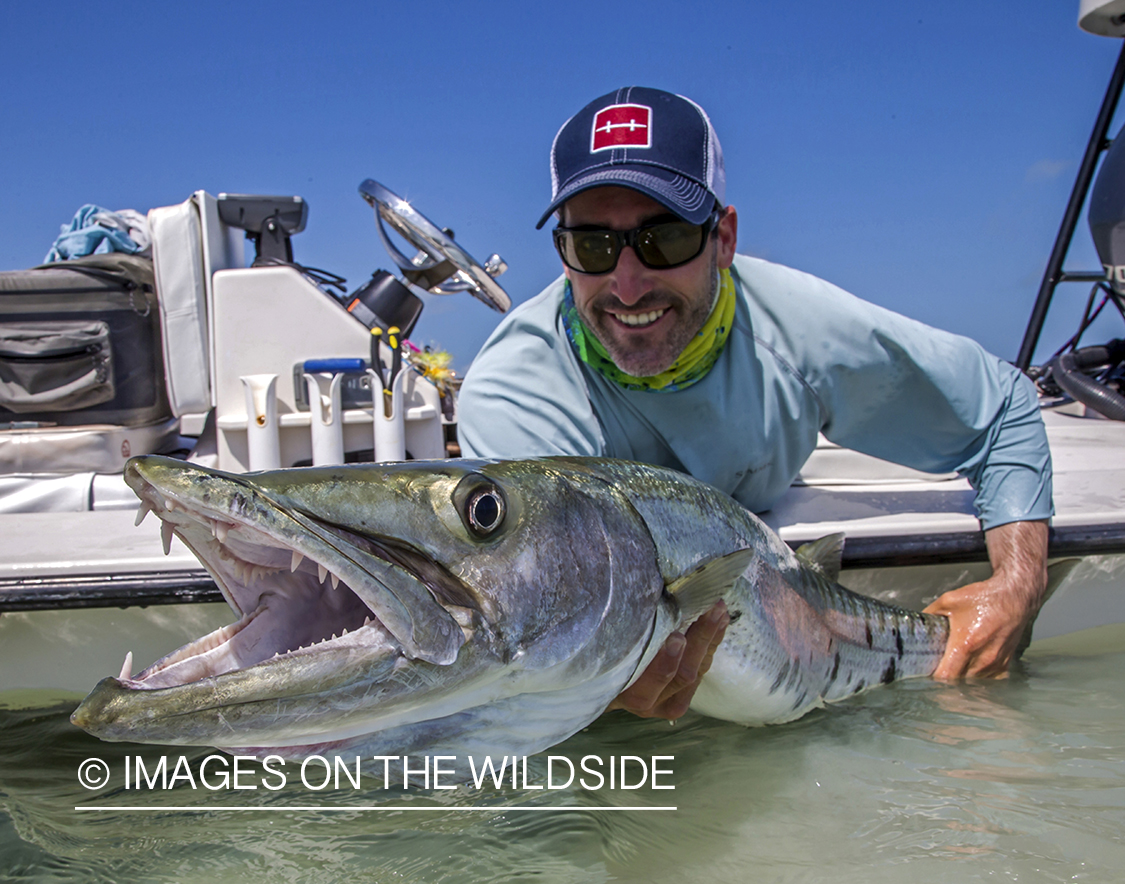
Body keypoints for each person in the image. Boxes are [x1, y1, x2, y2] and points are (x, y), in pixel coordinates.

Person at [458, 87, 1052, 720]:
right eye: (594, 247)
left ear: (724, 238)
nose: (627, 286)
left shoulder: (802, 329)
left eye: (666, 238)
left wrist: (1019, 586)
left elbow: (1002, 409)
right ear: (563, 254)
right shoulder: (513, 391)